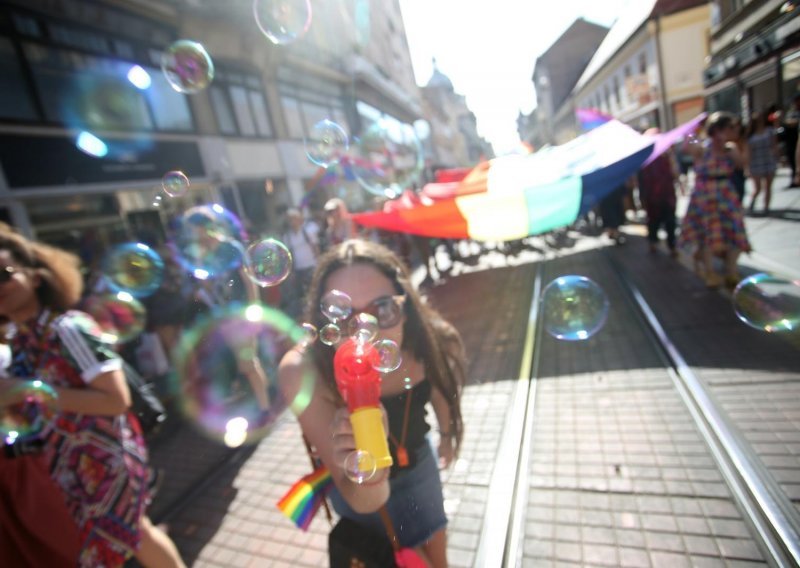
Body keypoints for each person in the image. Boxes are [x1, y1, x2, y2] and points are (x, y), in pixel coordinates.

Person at [0, 231, 185, 567]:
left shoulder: (68, 329)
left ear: (36, 277)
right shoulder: (16, 343)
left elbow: (116, 399)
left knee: (134, 535)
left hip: (105, 460)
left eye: (3, 275)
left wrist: (25, 390)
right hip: (62, 467)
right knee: (109, 545)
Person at [278, 239, 466, 567]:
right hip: (360, 491)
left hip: (419, 465)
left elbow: (439, 393)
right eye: (341, 314)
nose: (364, 330)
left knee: (436, 555)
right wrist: (372, 471)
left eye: (383, 308)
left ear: (405, 309)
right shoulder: (302, 372)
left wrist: (448, 435)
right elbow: (361, 499)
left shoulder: (437, 341)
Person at [679, 111, 751, 289]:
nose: (728, 133)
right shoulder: (702, 147)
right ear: (715, 130)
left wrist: (739, 145)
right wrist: (694, 127)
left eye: (731, 129)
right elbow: (687, 145)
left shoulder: (730, 148)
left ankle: (731, 271)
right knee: (708, 236)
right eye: (727, 129)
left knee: (735, 233)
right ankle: (710, 272)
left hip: (726, 193)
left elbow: (742, 163)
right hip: (705, 196)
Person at [638, 129, 682, 257]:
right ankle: (653, 241)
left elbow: (674, 173)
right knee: (653, 220)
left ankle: (671, 245)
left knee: (670, 221)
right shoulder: (645, 158)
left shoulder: (667, 155)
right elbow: (641, 179)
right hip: (652, 195)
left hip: (667, 194)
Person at [281, 207, 320, 317]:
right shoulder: (287, 237)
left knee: (315, 290)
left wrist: (319, 262)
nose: (292, 222)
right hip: (298, 269)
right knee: (302, 295)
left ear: (299, 219)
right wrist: (291, 271)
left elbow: (315, 248)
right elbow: (289, 255)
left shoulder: (307, 232)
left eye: (294, 218)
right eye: (290, 219)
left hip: (311, 265)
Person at [745, 111, 779, 214]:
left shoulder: (769, 131)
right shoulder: (750, 135)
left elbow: (774, 145)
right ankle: (752, 203)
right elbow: (748, 152)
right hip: (756, 162)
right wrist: (747, 167)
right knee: (758, 188)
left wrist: (777, 157)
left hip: (768, 160)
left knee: (768, 187)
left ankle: (766, 207)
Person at [782, 94, 800, 186]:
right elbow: (787, 122)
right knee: (792, 161)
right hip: (791, 141)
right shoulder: (792, 112)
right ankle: (793, 178)